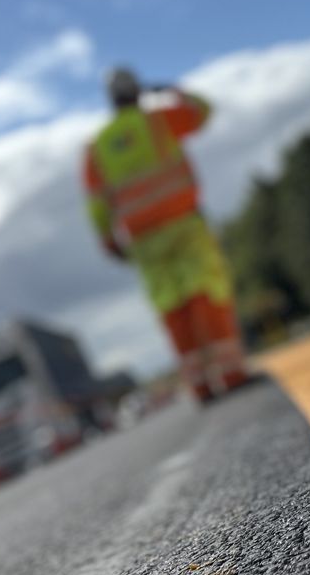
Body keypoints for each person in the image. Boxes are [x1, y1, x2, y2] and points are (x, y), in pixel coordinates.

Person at [83, 67, 250, 405]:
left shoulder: (97, 148)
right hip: (183, 224)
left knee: (171, 306)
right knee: (205, 289)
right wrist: (174, 90)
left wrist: (107, 239)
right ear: (136, 92)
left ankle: (200, 383)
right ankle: (229, 372)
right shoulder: (158, 121)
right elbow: (202, 112)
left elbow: (97, 203)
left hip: (143, 240)